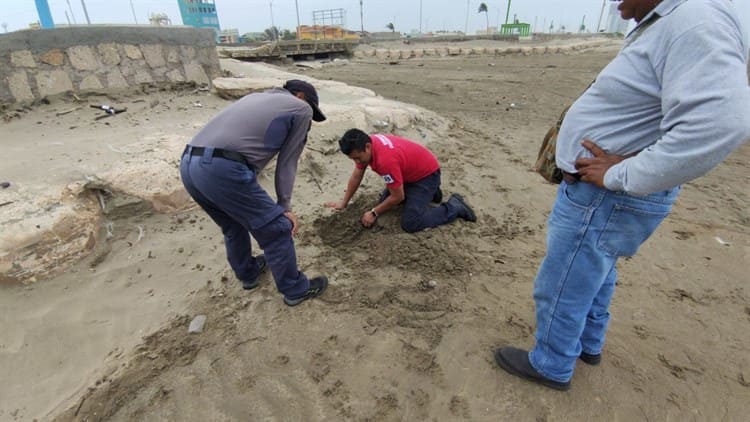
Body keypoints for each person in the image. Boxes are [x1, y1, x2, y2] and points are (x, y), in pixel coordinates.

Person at [494, 0, 750, 391]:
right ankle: (587, 345)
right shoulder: (679, 18)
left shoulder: (697, 21)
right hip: (607, 198)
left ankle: (551, 363)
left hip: (604, 198)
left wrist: (620, 173)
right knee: (597, 268)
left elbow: (721, 124)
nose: (615, 3)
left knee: (563, 279)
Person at [179, 80, 329, 306]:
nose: (310, 118)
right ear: (300, 96)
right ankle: (295, 289)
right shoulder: (301, 108)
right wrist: (284, 208)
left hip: (189, 164)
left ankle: (248, 273)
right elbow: (288, 162)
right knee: (278, 229)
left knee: (232, 224)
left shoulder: (253, 98)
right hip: (222, 168)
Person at [325, 128, 476, 232]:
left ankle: (454, 207)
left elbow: (398, 196)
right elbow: (357, 175)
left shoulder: (385, 161)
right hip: (410, 172)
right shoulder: (366, 145)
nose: (356, 161)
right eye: (353, 158)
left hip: (426, 176)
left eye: (357, 157)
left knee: (411, 223)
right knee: (385, 201)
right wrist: (343, 202)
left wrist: (373, 213)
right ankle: (431, 193)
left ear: (367, 146)